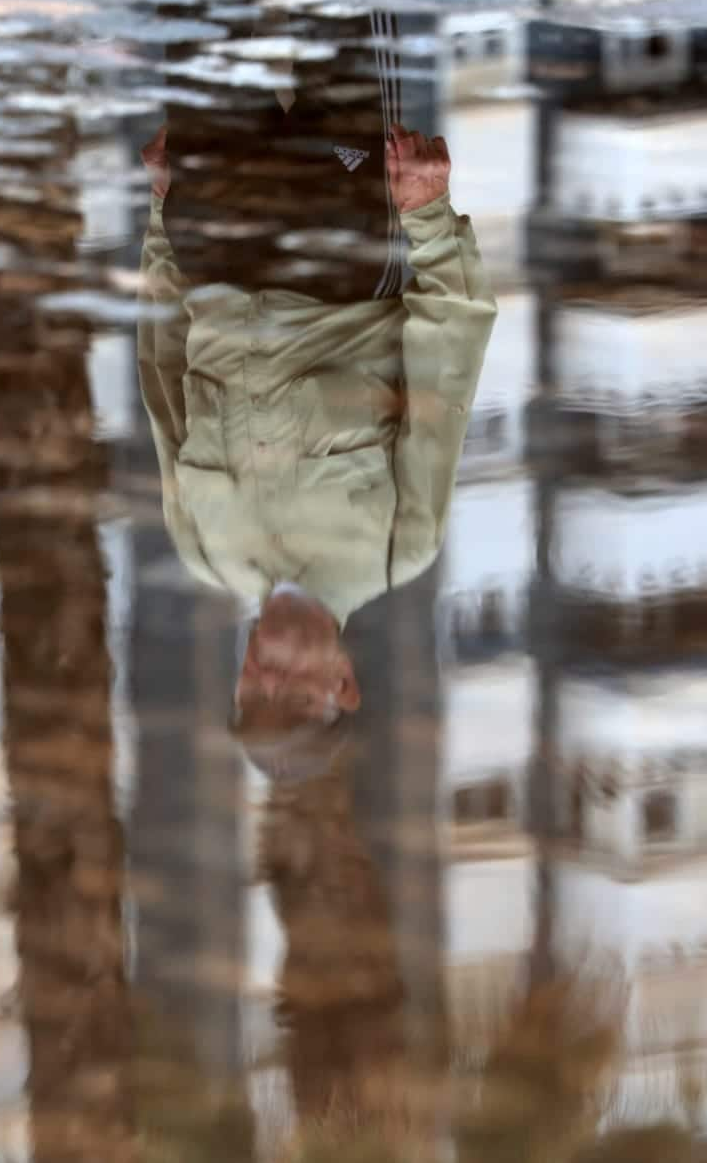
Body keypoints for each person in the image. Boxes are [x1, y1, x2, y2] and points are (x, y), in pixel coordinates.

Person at [138, 123, 495, 736]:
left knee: (208, 38)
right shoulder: (399, 547)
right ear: (343, 684)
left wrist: (162, 219)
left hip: (210, 233)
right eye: (296, 700)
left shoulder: (203, 552)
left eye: (250, 700)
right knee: (335, 33)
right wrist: (429, 215)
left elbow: (162, 369)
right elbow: (447, 363)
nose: (266, 681)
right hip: (337, 240)